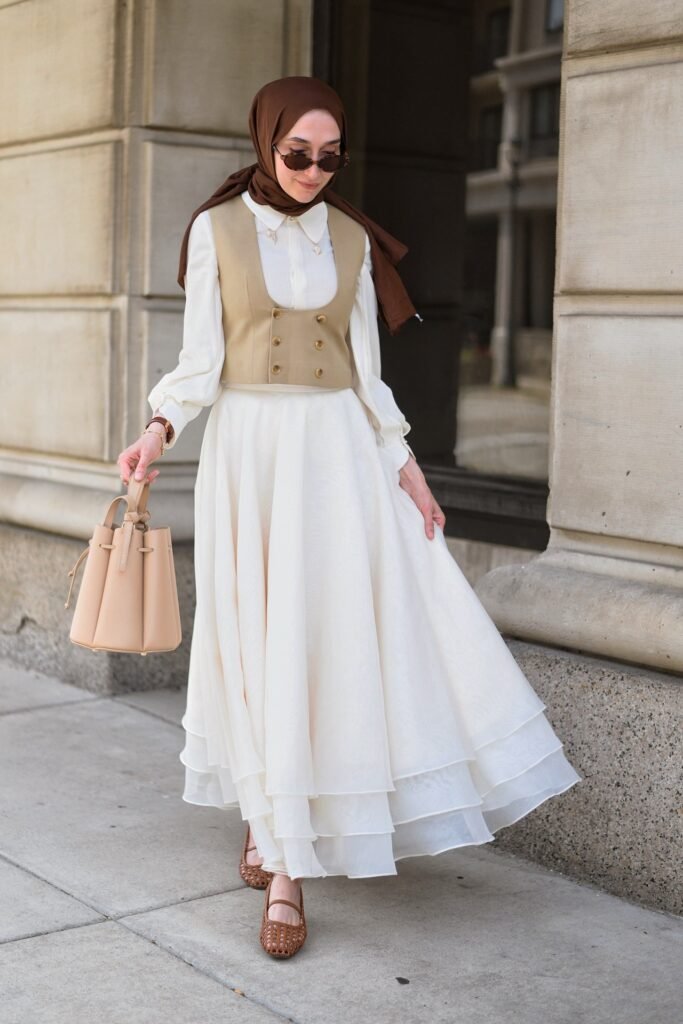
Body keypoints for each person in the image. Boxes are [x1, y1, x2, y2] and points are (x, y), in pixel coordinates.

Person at [117, 76, 582, 960]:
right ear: (267, 142)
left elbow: (368, 379)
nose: (312, 172)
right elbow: (199, 365)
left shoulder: (353, 242)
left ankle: (284, 856)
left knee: (323, 639)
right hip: (251, 456)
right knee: (257, 640)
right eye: (297, 154)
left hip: (335, 459)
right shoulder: (214, 232)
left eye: (329, 159)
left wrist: (406, 468)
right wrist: (155, 431)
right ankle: (274, 829)